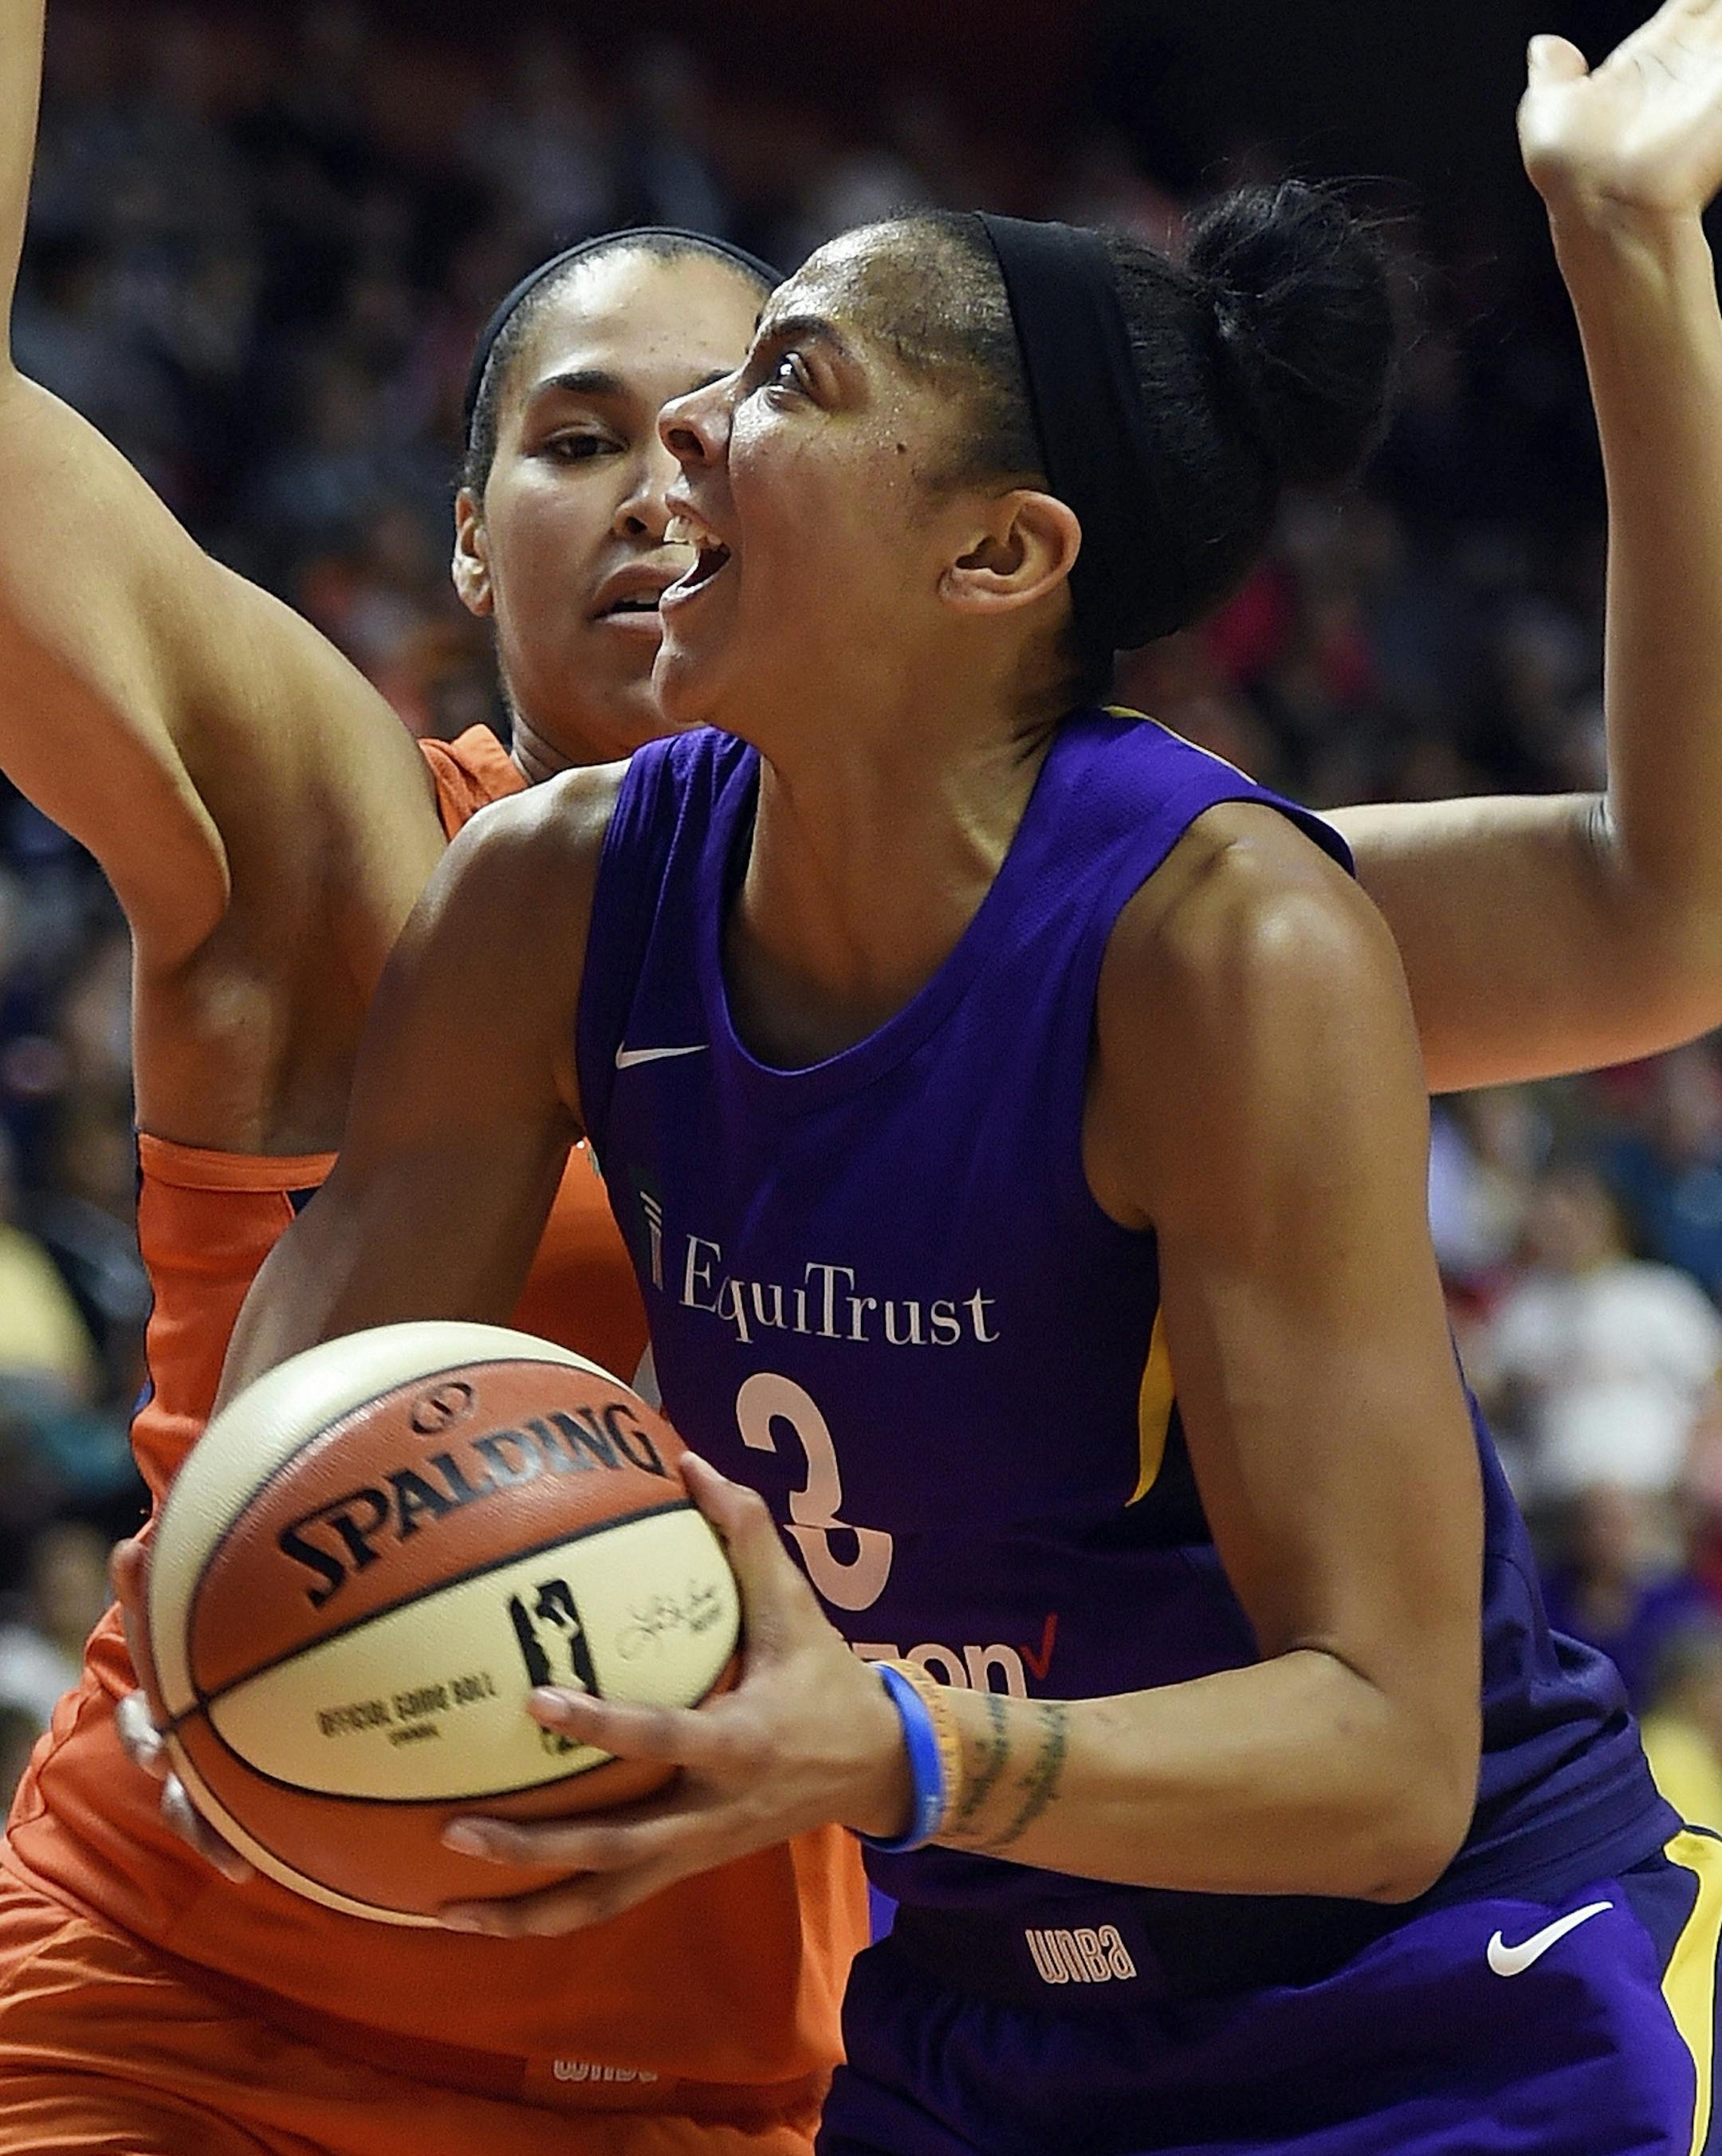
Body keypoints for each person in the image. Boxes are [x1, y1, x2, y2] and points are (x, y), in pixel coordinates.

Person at [223, 6, 1722, 2148]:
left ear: (1002, 556)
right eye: (617, 427)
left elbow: (1391, 1769)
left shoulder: (1217, 938)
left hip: (1424, 2001)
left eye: (781, 383)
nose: (688, 450)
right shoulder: (550, 901)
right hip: (977, 2012)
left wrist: (1629, 250)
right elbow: (286, 1477)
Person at [0, 4, 867, 2148]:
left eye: (725, 433)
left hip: (703, 2088)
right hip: (173, 2021)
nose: (663, 490)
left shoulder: (1047, 948)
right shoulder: (361, 842)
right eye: (579, 443)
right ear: (473, 542)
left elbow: (1642, 914)